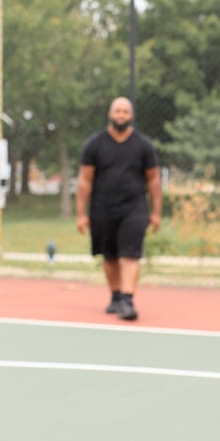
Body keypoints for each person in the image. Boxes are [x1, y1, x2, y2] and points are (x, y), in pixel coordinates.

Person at [75, 96, 162, 321]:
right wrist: (81, 214)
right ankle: (115, 296)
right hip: (102, 207)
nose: (121, 115)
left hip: (134, 207)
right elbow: (84, 180)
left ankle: (127, 299)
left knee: (130, 254)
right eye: (117, 111)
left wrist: (156, 211)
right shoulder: (95, 144)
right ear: (110, 114)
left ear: (131, 116)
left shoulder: (143, 145)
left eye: (125, 111)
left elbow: (153, 179)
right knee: (110, 256)